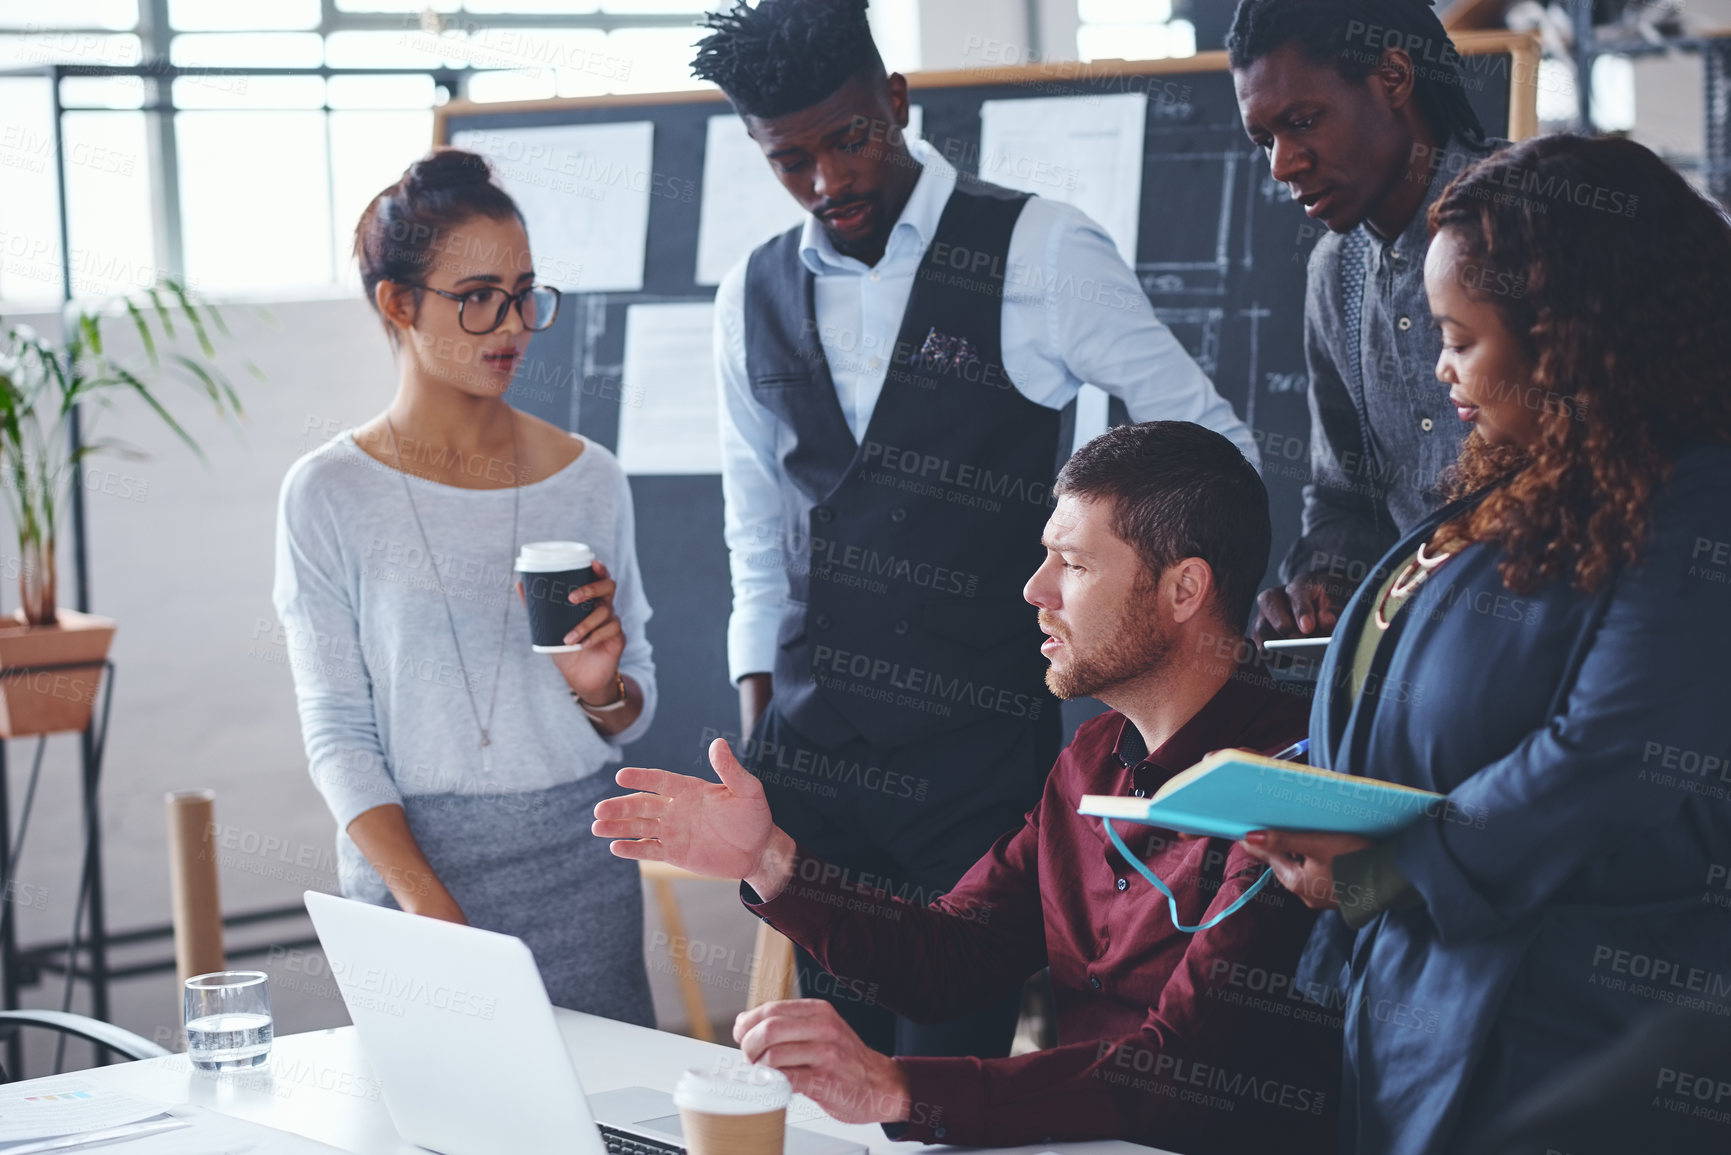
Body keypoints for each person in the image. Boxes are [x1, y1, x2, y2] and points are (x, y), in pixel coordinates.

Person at [697, 0, 1259, 1061]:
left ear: (896, 102)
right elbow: (755, 528)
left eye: (850, 138)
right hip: (814, 763)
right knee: (825, 1081)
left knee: (946, 1087)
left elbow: (1211, 443)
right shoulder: (751, 290)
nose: (828, 182)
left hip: (975, 764)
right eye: (790, 160)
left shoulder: (1039, 247)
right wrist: (760, 722)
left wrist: (1142, 618)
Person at [594, 422, 1340, 1155]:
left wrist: (897, 1087)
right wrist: (771, 859)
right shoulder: (1088, 757)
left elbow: (1180, 1073)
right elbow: (954, 957)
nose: (1033, 589)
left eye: (1072, 565)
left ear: (1184, 589)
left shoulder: (1289, 780)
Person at [1235, 135, 1731, 1155]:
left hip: (1570, 1033)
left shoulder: (1695, 505)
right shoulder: (1531, 478)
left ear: (1566, 337)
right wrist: (1286, 789)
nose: (1441, 371)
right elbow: (1428, 687)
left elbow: (1602, 761)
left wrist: (1377, 875)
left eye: (1462, 339)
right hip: (1424, 997)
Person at [272, 148, 657, 1021]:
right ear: (398, 304)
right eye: (477, 295)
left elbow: (636, 708)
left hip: (579, 866)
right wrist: (432, 910)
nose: (512, 322)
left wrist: (601, 692)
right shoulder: (328, 492)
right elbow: (337, 731)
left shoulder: (589, 476)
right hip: (412, 884)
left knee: (606, 1127)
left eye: (524, 291)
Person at [1228, 0, 1505, 643]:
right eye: (1265, 140)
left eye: (1302, 122)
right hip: (1421, 652)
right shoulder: (1336, 273)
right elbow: (1347, 497)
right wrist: (1320, 581)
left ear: (1394, 79)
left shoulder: (1534, 214)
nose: (1282, 165)